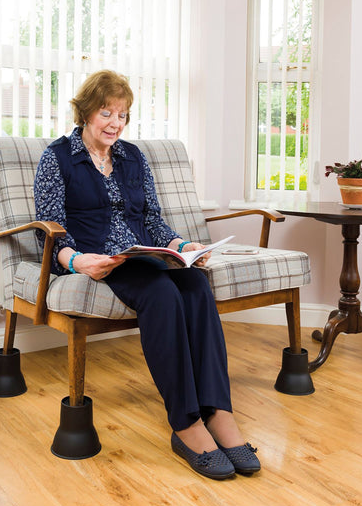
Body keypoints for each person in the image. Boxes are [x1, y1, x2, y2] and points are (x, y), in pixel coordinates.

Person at [34, 69, 260, 480]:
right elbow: (49, 230)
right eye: (106, 113)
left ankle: (219, 412)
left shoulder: (132, 157)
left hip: (146, 254)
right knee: (161, 292)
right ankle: (186, 425)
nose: (115, 123)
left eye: (122, 115)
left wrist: (181, 246)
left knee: (195, 284)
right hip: (102, 261)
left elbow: (153, 220)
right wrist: (78, 261)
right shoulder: (58, 157)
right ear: (86, 112)